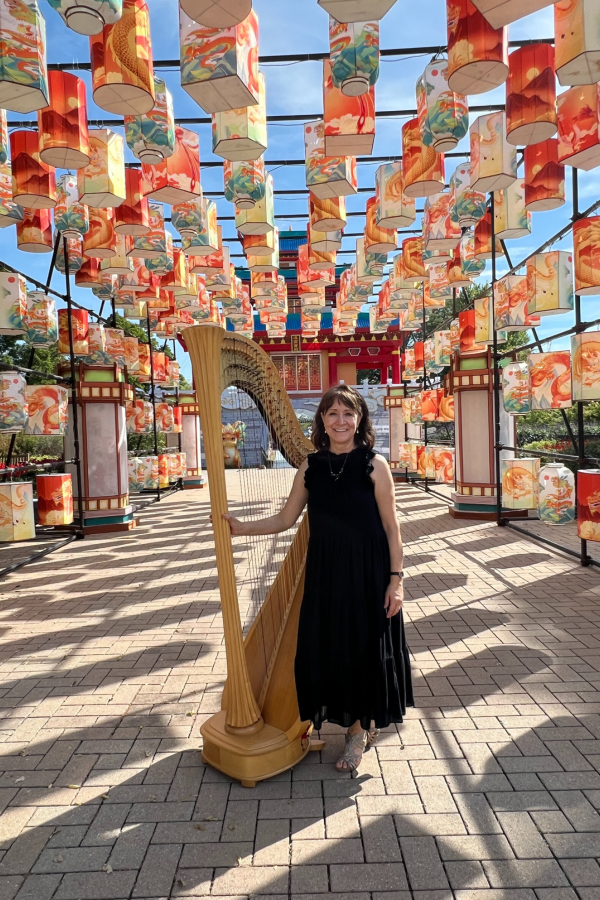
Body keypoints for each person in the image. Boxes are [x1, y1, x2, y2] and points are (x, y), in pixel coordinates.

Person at [223, 384, 413, 772]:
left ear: (359, 421)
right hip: (326, 571)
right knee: (326, 647)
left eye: (348, 413)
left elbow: (392, 529)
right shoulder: (310, 467)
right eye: (332, 413)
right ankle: (326, 719)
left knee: (363, 650)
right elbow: (285, 519)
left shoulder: (374, 466)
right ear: (322, 422)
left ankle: (357, 733)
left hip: (368, 571)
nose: (340, 420)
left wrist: (397, 580)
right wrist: (242, 528)